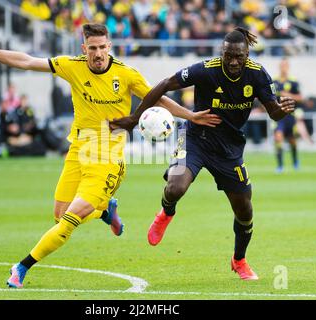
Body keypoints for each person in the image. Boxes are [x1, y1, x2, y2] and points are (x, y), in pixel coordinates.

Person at [0, 23, 220, 288]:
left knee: (67, 224)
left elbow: (158, 98)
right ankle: (105, 210)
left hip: (108, 160)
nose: (98, 53)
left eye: (103, 47)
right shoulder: (72, 66)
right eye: (93, 48)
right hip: (78, 150)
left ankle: (22, 267)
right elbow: (25, 61)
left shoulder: (126, 75)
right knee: (59, 216)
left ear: (110, 46)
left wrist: (191, 115)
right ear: (85, 48)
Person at [110, 27, 295, 281]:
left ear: (247, 54)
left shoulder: (258, 74)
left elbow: (273, 112)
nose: (232, 61)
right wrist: (133, 118)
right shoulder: (206, 69)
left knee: (245, 211)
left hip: (229, 149)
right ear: (222, 51)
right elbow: (164, 84)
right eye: (228, 55)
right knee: (176, 186)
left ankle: (239, 260)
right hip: (196, 139)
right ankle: (166, 211)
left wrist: (282, 111)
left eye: (238, 56)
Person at [273, 58, 304, 173]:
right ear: (279, 67)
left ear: (288, 67)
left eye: (285, 66)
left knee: (292, 141)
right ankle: (280, 166)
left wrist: (288, 95)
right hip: (279, 116)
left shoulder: (294, 82)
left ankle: (295, 161)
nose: (283, 68)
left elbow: (301, 98)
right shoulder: (274, 82)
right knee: (278, 137)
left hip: (291, 115)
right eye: (282, 66)